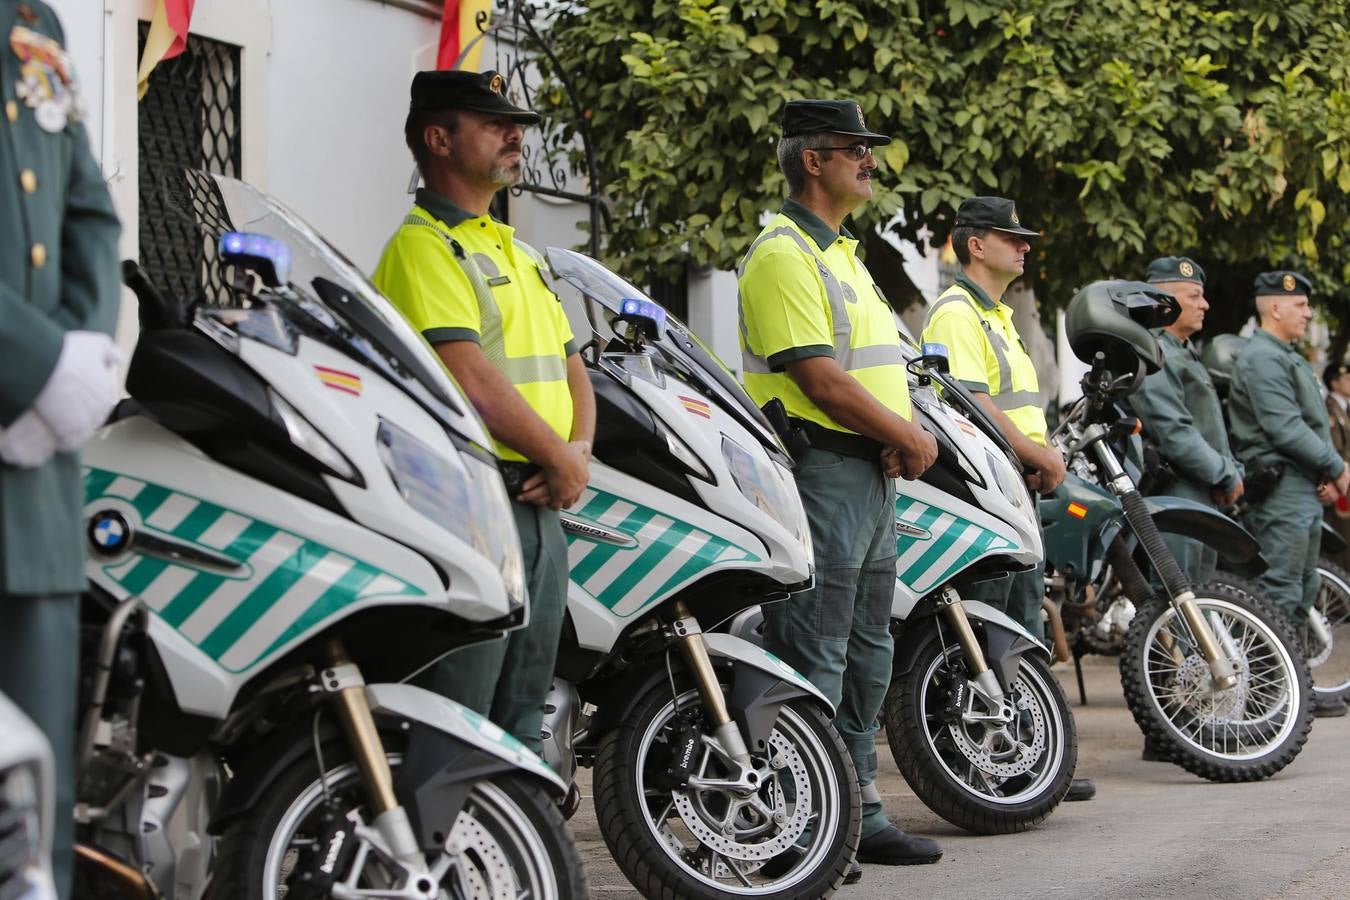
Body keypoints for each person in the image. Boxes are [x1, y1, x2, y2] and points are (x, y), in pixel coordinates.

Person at [738, 99, 941, 877]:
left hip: (868, 475)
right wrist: (903, 435)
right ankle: (794, 822)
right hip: (822, 473)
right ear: (811, 160)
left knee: (867, 654)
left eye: (870, 147)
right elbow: (819, 381)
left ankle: (857, 809)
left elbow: (869, 372)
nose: (869, 159)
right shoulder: (783, 253)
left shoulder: (846, 256)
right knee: (814, 651)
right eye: (853, 148)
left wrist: (894, 438)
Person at [372, 69, 595, 753]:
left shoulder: (516, 249)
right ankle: (447, 851)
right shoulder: (424, 247)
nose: (514, 133)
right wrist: (560, 459)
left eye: (515, 123)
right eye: (493, 122)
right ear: (438, 138)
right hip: (474, 502)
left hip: (540, 502)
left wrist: (576, 454)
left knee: (523, 709)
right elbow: (470, 378)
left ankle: (514, 852)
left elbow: (572, 366)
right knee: (464, 712)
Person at [1, 1, 124, 896]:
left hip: (31, 496)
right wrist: (34, 365)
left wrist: (76, 357)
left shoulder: (33, 17)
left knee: (32, 844)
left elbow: (87, 211)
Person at [921, 196, 1096, 801]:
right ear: (975, 244)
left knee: (1020, 623)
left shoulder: (994, 315)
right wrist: (1036, 452)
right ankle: (995, 766)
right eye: (1011, 238)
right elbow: (968, 402)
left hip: (1014, 484)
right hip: (988, 488)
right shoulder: (955, 313)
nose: (1024, 247)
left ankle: (1034, 755)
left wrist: (1038, 457)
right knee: (993, 624)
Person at [1229, 271, 1350, 718]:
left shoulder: (1284, 355)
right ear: (1274, 307)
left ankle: (1288, 695)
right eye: (1300, 305)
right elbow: (1285, 427)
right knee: (1280, 593)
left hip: (1299, 486)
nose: (1308, 312)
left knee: (1302, 590)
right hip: (1281, 490)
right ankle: (1263, 705)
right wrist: (1335, 467)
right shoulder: (1263, 358)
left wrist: (1323, 470)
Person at [1130, 256, 1244, 584]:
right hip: (1176, 491)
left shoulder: (1183, 351)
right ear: (1162, 302)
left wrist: (1228, 472)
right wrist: (1224, 474)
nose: (1205, 304)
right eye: (1193, 296)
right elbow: (1173, 432)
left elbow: (1208, 429)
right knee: (1178, 602)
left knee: (1200, 597)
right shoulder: (1152, 352)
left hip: (1200, 490)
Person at [1322, 362, 1350, 570]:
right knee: (1341, 539)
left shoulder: (1344, 409)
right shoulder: (1330, 409)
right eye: (1347, 379)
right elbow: (1337, 449)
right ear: (1334, 383)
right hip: (1340, 482)